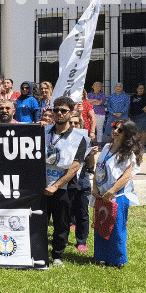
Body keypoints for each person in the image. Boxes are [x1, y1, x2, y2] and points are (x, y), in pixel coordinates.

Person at [44, 97, 88, 266]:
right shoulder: (44, 131)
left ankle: (57, 255)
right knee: (39, 221)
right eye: (56, 110)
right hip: (43, 185)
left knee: (61, 223)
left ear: (71, 113)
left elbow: (75, 166)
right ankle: (38, 250)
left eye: (63, 111)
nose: (59, 113)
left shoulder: (79, 137)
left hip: (64, 188)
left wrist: (56, 186)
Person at [93, 119, 141, 267]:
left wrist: (112, 191)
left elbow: (127, 176)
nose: (115, 131)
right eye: (115, 128)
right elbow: (98, 167)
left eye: (120, 130)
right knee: (101, 225)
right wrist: (94, 187)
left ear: (127, 134)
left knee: (116, 229)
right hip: (101, 195)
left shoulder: (129, 153)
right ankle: (102, 256)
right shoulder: (107, 147)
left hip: (118, 196)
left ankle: (117, 260)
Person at [69, 111, 95, 252]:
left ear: (81, 124)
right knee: (64, 213)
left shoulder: (86, 140)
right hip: (66, 182)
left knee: (82, 214)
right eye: (71, 123)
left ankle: (81, 241)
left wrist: (91, 156)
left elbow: (90, 166)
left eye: (76, 123)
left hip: (82, 182)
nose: (74, 125)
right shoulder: (61, 139)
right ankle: (62, 237)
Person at [128, 84, 146, 149]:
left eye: (142, 88)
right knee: (134, 131)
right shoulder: (133, 96)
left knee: (142, 130)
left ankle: (142, 145)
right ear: (137, 89)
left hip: (143, 115)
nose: (141, 90)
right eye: (140, 88)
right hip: (133, 115)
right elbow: (130, 105)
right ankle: (135, 144)